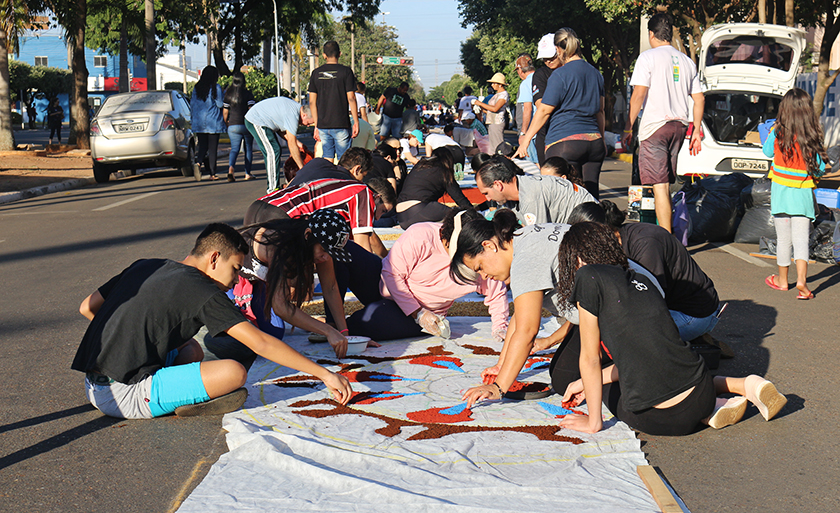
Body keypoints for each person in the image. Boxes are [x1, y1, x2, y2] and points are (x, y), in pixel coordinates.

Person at [73, 223, 352, 420]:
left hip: (93, 382)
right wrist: (323, 374)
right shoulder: (202, 290)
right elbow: (260, 343)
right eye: (235, 268)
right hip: (121, 396)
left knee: (191, 350)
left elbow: (88, 306)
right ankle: (176, 399)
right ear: (214, 258)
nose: (237, 278)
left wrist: (127, 340)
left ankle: (172, 388)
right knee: (234, 373)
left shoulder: (148, 264)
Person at [549, 222, 787, 436]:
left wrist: (592, 420)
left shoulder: (589, 277)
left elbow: (590, 358)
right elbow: (645, 356)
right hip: (700, 390)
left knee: (612, 392)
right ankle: (737, 390)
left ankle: (716, 408)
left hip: (670, 418)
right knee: (652, 366)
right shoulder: (641, 279)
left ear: (577, 259)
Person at [230, 209, 382, 358]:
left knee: (273, 330)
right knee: (269, 335)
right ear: (308, 235)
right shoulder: (280, 245)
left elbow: (330, 288)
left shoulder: (320, 247)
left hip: (265, 281)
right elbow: (281, 307)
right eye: (323, 251)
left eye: (330, 253)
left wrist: (345, 336)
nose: (325, 258)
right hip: (234, 280)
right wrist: (328, 331)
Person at [569, 200, 723, 344]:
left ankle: (688, 347)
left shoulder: (645, 243)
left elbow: (648, 302)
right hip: (668, 307)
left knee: (621, 337)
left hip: (694, 315)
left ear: (603, 232)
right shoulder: (614, 243)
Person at [347, 209, 509, 340]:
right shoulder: (422, 235)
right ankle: (335, 320)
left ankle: (338, 329)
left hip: (420, 313)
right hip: (384, 285)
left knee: (370, 321)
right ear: (446, 239)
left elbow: (496, 292)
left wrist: (500, 327)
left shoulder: (477, 259)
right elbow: (392, 273)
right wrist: (418, 313)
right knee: (347, 250)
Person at [621, 13, 704, 232]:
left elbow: (639, 95)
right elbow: (699, 98)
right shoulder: (687, 61)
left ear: (651, 34)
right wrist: (696, 130)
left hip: (655, 128)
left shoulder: (647, 58)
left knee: (660, 185)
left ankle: (666, 240)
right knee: (665, 182)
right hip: (679, 127)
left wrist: (628, 127)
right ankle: (666, 229)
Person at [763, 88, 840, 299]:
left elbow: (767, 152)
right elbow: (821, 167)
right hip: (803, 197)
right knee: (801, 241)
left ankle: (781, 281)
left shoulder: (778, 133)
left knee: (783, 240)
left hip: (781, 195)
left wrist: (773, 131)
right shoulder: (810, 137)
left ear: (784, 111)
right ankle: (802, 282)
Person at [515, 29, 606, 199]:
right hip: (594, 141)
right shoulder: (596, 73)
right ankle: (597, 225)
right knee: (591, 197)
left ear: (558, 50)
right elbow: (600, 111)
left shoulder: (559, 75)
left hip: (565, 142)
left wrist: (526, 139)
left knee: (567, 198)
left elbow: (543, 110)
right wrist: (601, 138)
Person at [247, 175, 393, 258]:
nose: (378, 218)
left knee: (253, 269)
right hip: (285, 214)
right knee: (283, 282)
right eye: (383, 210)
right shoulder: (364, 194)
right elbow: (363, 249)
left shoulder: (350, 188)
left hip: (259, 206)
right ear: (377, 197)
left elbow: (370, 236)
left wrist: (385, 259)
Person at [474, 156, 594, 226]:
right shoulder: (519, 188)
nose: (488, 199)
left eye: (486, 193)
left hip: (589, 223)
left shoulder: (530, 197)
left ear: (498, 185)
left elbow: (539, 239)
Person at [245, 97, 313, 193]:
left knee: (275, 150)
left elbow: (282, 131)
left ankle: (274, 186)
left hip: (262, 121)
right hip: (256, 120)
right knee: (273, 152)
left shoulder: (294, 110)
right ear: (304, 115)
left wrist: (299, 144)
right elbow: (291, 144)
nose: (308, 125)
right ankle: (272, 189)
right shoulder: (293, 115)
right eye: (309, 123)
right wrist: (302, 169)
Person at [396, 147, 473, 229]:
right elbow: (459, 198)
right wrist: (473, 214)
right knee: (458, 216)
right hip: (419, 210)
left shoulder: (420, 165)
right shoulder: (443, 171)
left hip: (401, 216)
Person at [308, 41, 359, 161]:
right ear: (340, 54)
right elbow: (351, 97)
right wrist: (356, 121)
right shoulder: (346, 72)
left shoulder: (316, 73)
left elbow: (312, 102)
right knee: (344, 160)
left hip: (323, 124)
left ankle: (330, 178)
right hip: (341, 123)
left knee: (327, 157)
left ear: (324, 55)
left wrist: (316, 124)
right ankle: (342, 179)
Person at [529, 33, 563, 165]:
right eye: (544, 58)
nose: (548, 61)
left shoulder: (572, 71)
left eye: (552, 57)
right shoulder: (541, 74)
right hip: (547, 132)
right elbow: (541, 105)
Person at [191, 66, 227, 181]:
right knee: (212, 149)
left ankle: (198, 163)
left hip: (199, 122)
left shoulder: (197, 87)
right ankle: (212, 174)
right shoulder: (215, 87)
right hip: (213, 122)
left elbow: (193, 104)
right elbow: (220, 104)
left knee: (202, 146)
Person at [223, 71, 256, 182]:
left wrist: (226, 123)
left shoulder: (228, 95)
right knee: (248, 149)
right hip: (246, 125)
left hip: (233, 125)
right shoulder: (248, 94)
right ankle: (247, 173)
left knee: (234, 149)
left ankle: (231, 168)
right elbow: (251, 110)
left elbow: (225, 112)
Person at [287, 147, 372, 187]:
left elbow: (293, 181)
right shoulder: (345, 184)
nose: (362, 180)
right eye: (363, 176)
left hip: (277, 201)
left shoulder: (318, 161)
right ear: (356, 169)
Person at [474, 73, 510, 155]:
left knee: (498, 146)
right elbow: (491, 110)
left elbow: (495, 108)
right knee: (493, 146)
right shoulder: (496, 95)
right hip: (492, 122)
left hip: (497, 122)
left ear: (500, 84)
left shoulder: (503, 95)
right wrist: (482, 109)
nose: (492, 85)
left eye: (494, 83)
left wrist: (480, 103)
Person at [515, 54, 538, 163]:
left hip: (532, 132)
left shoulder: (525, 83)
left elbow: (527, 109)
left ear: (520, 69)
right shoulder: (543, 78)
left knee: (533, 165)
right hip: (546, 128)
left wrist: (523, 133)